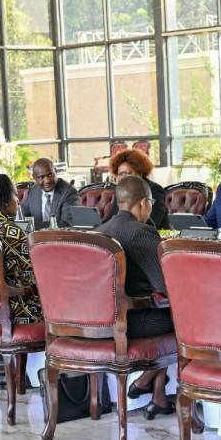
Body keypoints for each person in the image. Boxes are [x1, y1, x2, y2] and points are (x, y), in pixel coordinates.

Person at [95, 176, 174, 417]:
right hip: (133, 322)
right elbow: (167, 286)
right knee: (186, 319)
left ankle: (157, 394)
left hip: (102, 320)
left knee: (166, 311)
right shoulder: (141, 234)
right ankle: (150, 380)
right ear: (143, 203)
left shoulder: (98, 231)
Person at [0, 173, 42, 323]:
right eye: (15, 195)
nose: (18, 201)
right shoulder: (13, 233)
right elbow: (34, 274)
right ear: (5, 201)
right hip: (14, 310)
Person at [108, 149, 169, 229]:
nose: (124, 177)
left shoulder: (155, 190)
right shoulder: (121, 191)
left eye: (128, 173)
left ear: (140, 173)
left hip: (150, 236)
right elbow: (112, 218)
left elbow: (153, 222)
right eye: (120, 174)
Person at [22, 158, 78, 228]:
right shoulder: (32, 191)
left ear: (56, 172)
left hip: (59, 237)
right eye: (41, 177)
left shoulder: (69, 192)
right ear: (34, 178)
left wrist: (32, 225)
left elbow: (67, 224)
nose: (47, 180)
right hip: (34, 237)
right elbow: (22, 218)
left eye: (50, 175)